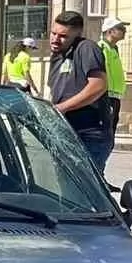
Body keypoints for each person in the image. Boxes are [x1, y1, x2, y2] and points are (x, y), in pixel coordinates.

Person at [47, 10, 112, 173]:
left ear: (77, 34)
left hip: (88, 135)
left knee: (84, 192)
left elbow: (98, 85)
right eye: (53, 33)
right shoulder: (57, 55)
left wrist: (62, 107)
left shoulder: (86, 48)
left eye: (63, 36)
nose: (55, 39)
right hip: (64, 131)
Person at [100, 16, 129, 161]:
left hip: (115, 96)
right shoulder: (102, 47)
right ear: (110, 31)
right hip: (106, 96)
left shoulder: (114, 49)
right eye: (121, 29)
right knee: (106, 136)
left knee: (111, 135)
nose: (125, 31)